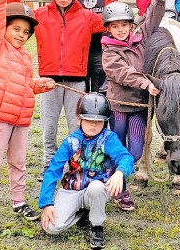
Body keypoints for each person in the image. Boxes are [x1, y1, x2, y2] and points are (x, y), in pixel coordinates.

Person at [8, 0, 104, 182]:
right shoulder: (40, 16)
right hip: (48, 80)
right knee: (49, 125)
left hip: (77, 81)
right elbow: (14, 17)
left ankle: (75, 162)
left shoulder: (87, 18)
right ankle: (48, 162)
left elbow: (109, 22)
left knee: (76, 125)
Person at [0, 0, 56, 233]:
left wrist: (40, 85)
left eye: (26, 32)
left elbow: (23, 85)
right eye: (17, 29)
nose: (22, 35)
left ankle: (18, 202)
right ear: (6, 29)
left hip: (21, 118)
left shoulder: (24, 57)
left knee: (19, 163)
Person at [100, 0, 168, 210]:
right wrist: (146, 83)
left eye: (124, 25)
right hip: (119, 106)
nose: (120, 30)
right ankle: (120, 190)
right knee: (116, 148)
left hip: (139, 107)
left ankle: (116, 180)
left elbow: (153, 18)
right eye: (115, 26)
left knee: (136, 151)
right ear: (108, 29)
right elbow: (122, 73)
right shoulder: (109, 52)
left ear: (131, 25)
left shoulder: (139, 38)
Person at [38, 93, 134, 250]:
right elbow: (53, 170)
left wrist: (120, 172)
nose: (94, 125)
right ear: (79, 120)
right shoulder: (70, 142)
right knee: (51, 227)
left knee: (96, 187)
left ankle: (96, 226)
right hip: (71, 190)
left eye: (98, 121)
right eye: (89, 120)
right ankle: (81, 211)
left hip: (95, 190)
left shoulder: (109, 138)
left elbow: (125, 157)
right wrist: (46, 203)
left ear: (105, 122)